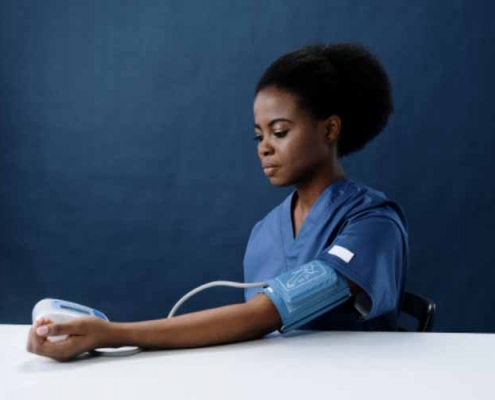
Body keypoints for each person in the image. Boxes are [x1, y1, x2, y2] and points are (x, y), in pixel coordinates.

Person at [27, 43, 409, 362]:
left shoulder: (373, 225)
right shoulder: (266, 232)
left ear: (329, 129)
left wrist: (111, 334)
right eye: (258, 135)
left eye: (280, 131)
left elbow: (263, 315)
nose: (265, 147)